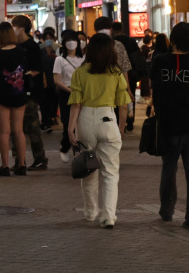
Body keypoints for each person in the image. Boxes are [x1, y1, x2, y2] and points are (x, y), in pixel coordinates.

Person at [67, 33, 130, 229]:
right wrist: (120, 128)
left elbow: (76, 104)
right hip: (108, 119)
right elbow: (123, 105)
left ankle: (90, 212)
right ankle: (108, 217)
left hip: (85, 121)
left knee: (89, 169)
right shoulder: (116, 73)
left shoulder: (80, 72)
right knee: (111, 172)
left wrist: (71, 129)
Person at [151, 22, 189, 230]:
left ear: (172, 39)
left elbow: (155, 92)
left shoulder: (159, 62)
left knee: (168, 168)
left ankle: (167, 211)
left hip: (168, 125)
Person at [0, 22, 29, 176]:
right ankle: (22, 164)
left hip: (2, 94)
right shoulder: (21, 51)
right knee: (19, 130)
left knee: (5, 131)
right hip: (19, 92)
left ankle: (5, 166)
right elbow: (25, 70)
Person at [10, 14, 49, 170]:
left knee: (32, 126)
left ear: (20, 28)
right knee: (16, 128)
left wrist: (24, 75)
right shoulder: (13, 45)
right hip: (16, 91)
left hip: (29, 92)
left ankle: (40, 159)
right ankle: (19, 160)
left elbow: (38, 69)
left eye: (14, 26)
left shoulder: (32, 46)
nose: (13, 29)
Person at [55, 29, 85, 163]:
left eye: (74, 40)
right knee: (68, 123)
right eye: (68, 41)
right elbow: (56, 79)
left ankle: (78, 152)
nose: (71, 43)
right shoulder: (60, 59)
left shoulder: (83, 59)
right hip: (66, 94)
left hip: (82, 95)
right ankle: (64, 147)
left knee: (81, 123)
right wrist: (68, 90)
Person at [112, 21, 144, 131]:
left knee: (116, 99)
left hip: (115, 75)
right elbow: (137, 58)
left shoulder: (113, 43)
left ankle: (119, 121)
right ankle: (130, 120)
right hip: (130, 74)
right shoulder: (130, 41)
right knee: (130, 96)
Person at [40, 28, 59, 131]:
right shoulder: (40, 50)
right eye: (46, 38)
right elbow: (40, 65)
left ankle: (51, 118)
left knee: (53, 100)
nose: (48, 40)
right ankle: (46, 121)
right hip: (44, 78)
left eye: (50, 38)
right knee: (44, 101)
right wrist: (43, 79)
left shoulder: (56, 49)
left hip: (54, 78)